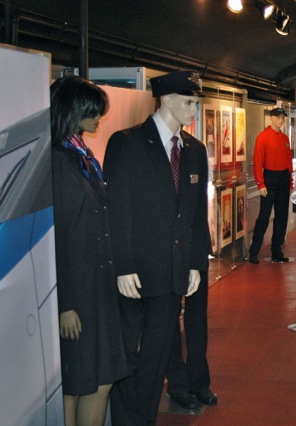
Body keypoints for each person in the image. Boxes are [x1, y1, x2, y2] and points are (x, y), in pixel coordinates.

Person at [104, 70, 211, 425]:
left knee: (156, 356)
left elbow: (196, 213)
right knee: (127, 356)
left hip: (174, 273)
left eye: (195, 103)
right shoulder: (127, 143)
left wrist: (195, 263)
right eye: (189, 102)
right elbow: (117, 209)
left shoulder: (194, 150)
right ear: (166, 99)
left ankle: (145, 420)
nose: (194, 110)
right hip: (135, 273)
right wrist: (122, 265)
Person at [50, 76, 128, 426]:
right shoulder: (58, 161)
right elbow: (55, 237)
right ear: (72, 110)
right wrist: (64, 304)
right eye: (93, 112)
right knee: (74, 383)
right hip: (77, 292)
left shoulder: (82, 157)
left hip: (98, 286)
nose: (99, 119)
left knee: (100, 379)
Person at [165, 268, 217, 410]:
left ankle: (198, 382)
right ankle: (177, 384)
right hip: (167, 258)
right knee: (170, 316)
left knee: (198, 316)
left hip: (196, 257)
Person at [248, 107, 293, 264]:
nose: (281, 120)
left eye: (283, 117)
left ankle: (276, 251)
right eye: (278, 117)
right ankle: (254, 251)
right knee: (264, 216)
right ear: (271, 118)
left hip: (283, 178)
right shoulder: (263, 137)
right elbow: (258, 161)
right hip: (269, 178)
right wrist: (260, 183)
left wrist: (290, 181)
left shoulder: (285, 138)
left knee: (282, 216)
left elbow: (288, 161)